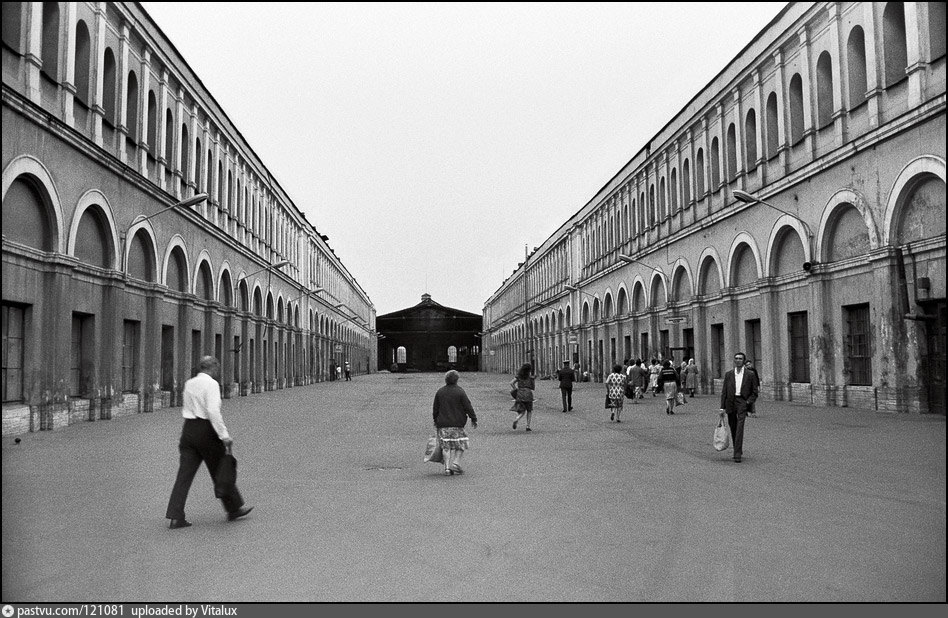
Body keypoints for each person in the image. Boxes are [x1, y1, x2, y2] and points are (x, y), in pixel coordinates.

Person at [165, 356, 252, 529]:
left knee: (184, 475)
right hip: (206, 430)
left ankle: (175, 516)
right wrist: (224, 435)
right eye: (217, 369)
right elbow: (213, 411)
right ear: (213, 368)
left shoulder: (189, 383)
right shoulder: (211, 384)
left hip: (188, 430)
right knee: (220, 468)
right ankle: (233, 509)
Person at [433, 369, 478, 476]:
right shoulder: (460, 391)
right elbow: (468, 406)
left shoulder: (440, 392)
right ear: (457, 380)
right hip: (458, 423)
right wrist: (473, 418)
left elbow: (435, 408)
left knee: (446, 446)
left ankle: (447, 468)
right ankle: (456, 462)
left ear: (446, 380)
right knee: (461, 444)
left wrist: (435, 420)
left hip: (443, 424)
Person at [720, 351, 760, 463]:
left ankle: (737, 454)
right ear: (734, 360)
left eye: (740, 359)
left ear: (743, 361)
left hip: (742, 402)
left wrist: (748, 402)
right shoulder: (729, 374)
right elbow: (724, 392)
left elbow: (755, 392)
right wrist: (722, 407)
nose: (738, 360)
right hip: (730, 402)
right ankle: (738, 448)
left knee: (740, 428)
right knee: (733, 427)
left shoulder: (750, 374)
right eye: (736, 358)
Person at [510, 363, 536, 432]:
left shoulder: (519, 376)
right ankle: (528, 426)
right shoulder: (530, 377)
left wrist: (515, 389)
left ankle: (517, 418)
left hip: (520, 393)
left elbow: (511, 383)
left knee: (522, 410)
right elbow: (533, 387)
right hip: (528, 394)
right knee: (529, 410)